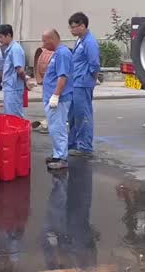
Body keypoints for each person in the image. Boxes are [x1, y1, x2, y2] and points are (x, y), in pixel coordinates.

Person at [67, 12, 100, 158]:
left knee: (83, 115)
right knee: (73, 115)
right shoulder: (80, 40)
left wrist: (90, 80)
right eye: (71, 28)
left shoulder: (89, 42)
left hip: (83, 83)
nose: (72, 30)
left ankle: (85, 146)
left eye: (74, 27)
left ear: (82, 26)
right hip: (76, 82)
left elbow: (94, 64)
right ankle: (73, 142)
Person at [42, 29, 73, 170]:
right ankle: (57, 154)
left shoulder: (63, 54)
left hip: (59, 99)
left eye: (45, 40)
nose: (43, 44)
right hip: (52, 98)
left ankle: (62, 158)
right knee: (54, 128)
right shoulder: (57, 53)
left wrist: (56, 95)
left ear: (53, 39)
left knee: (58, 128)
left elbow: (63, 77)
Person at [0, 24, 26, 118]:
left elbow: (20, 70)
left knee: (14, 116)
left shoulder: (15, 49)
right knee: (10, 114)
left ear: (8, 35)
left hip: (14, 88)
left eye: (1, 37)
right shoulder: (10, 49)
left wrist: (26, 82)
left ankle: (20, 132)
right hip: (10, 87)